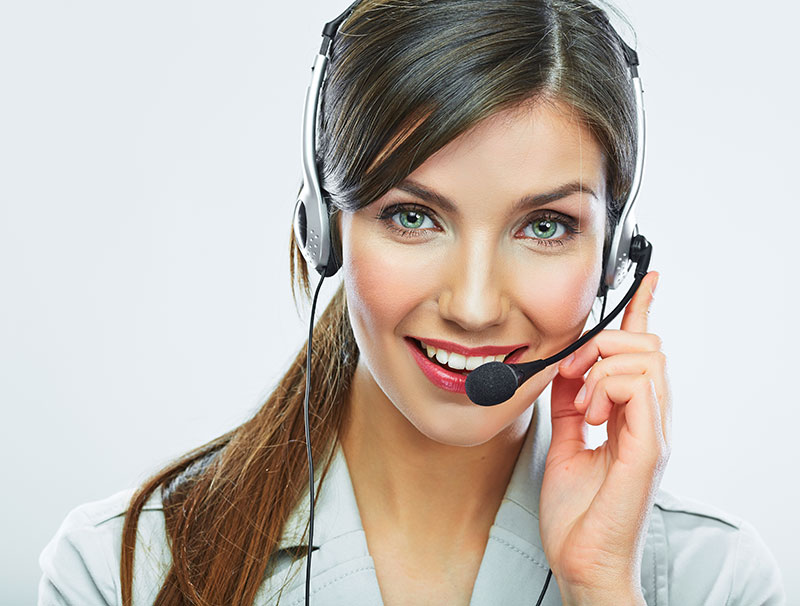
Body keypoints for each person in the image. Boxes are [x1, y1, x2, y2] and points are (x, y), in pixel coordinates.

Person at [38, 0, 786, 604]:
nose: (471, 304)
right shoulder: (124, 571)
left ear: (615, 253)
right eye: (413, 216)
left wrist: (599, 589)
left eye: (545, 225)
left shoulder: (710, 580)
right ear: (324, 227)